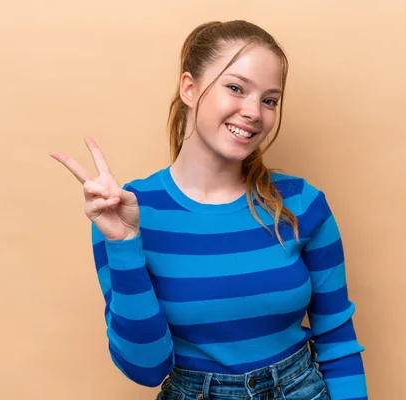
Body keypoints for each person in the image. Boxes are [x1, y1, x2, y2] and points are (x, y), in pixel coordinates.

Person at [51, 20, 368, 400]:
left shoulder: (303, 203)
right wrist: (123, 243)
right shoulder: (125, 212)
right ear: (190, 88)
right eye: (235, 88)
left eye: (269, 100)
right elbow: (146, 368)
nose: (254, 112)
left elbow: (338, 342)